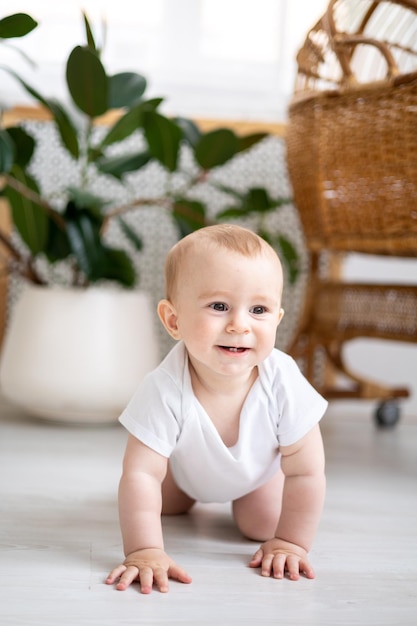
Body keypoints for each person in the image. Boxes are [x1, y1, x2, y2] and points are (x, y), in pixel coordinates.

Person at [106, 224, 327, 595]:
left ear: (276, 320)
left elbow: (307, 471)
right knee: (162, 504)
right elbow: (140, 474)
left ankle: (255, 498)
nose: (239, 324)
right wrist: (144, 551)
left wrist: (290, 542)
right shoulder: (163, 387)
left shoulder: (282, 380)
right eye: (219, 306)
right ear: (173, 320)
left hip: (257, 475)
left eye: (258, 309)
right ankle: (181, 486)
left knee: (261, 525)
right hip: (184, 471)